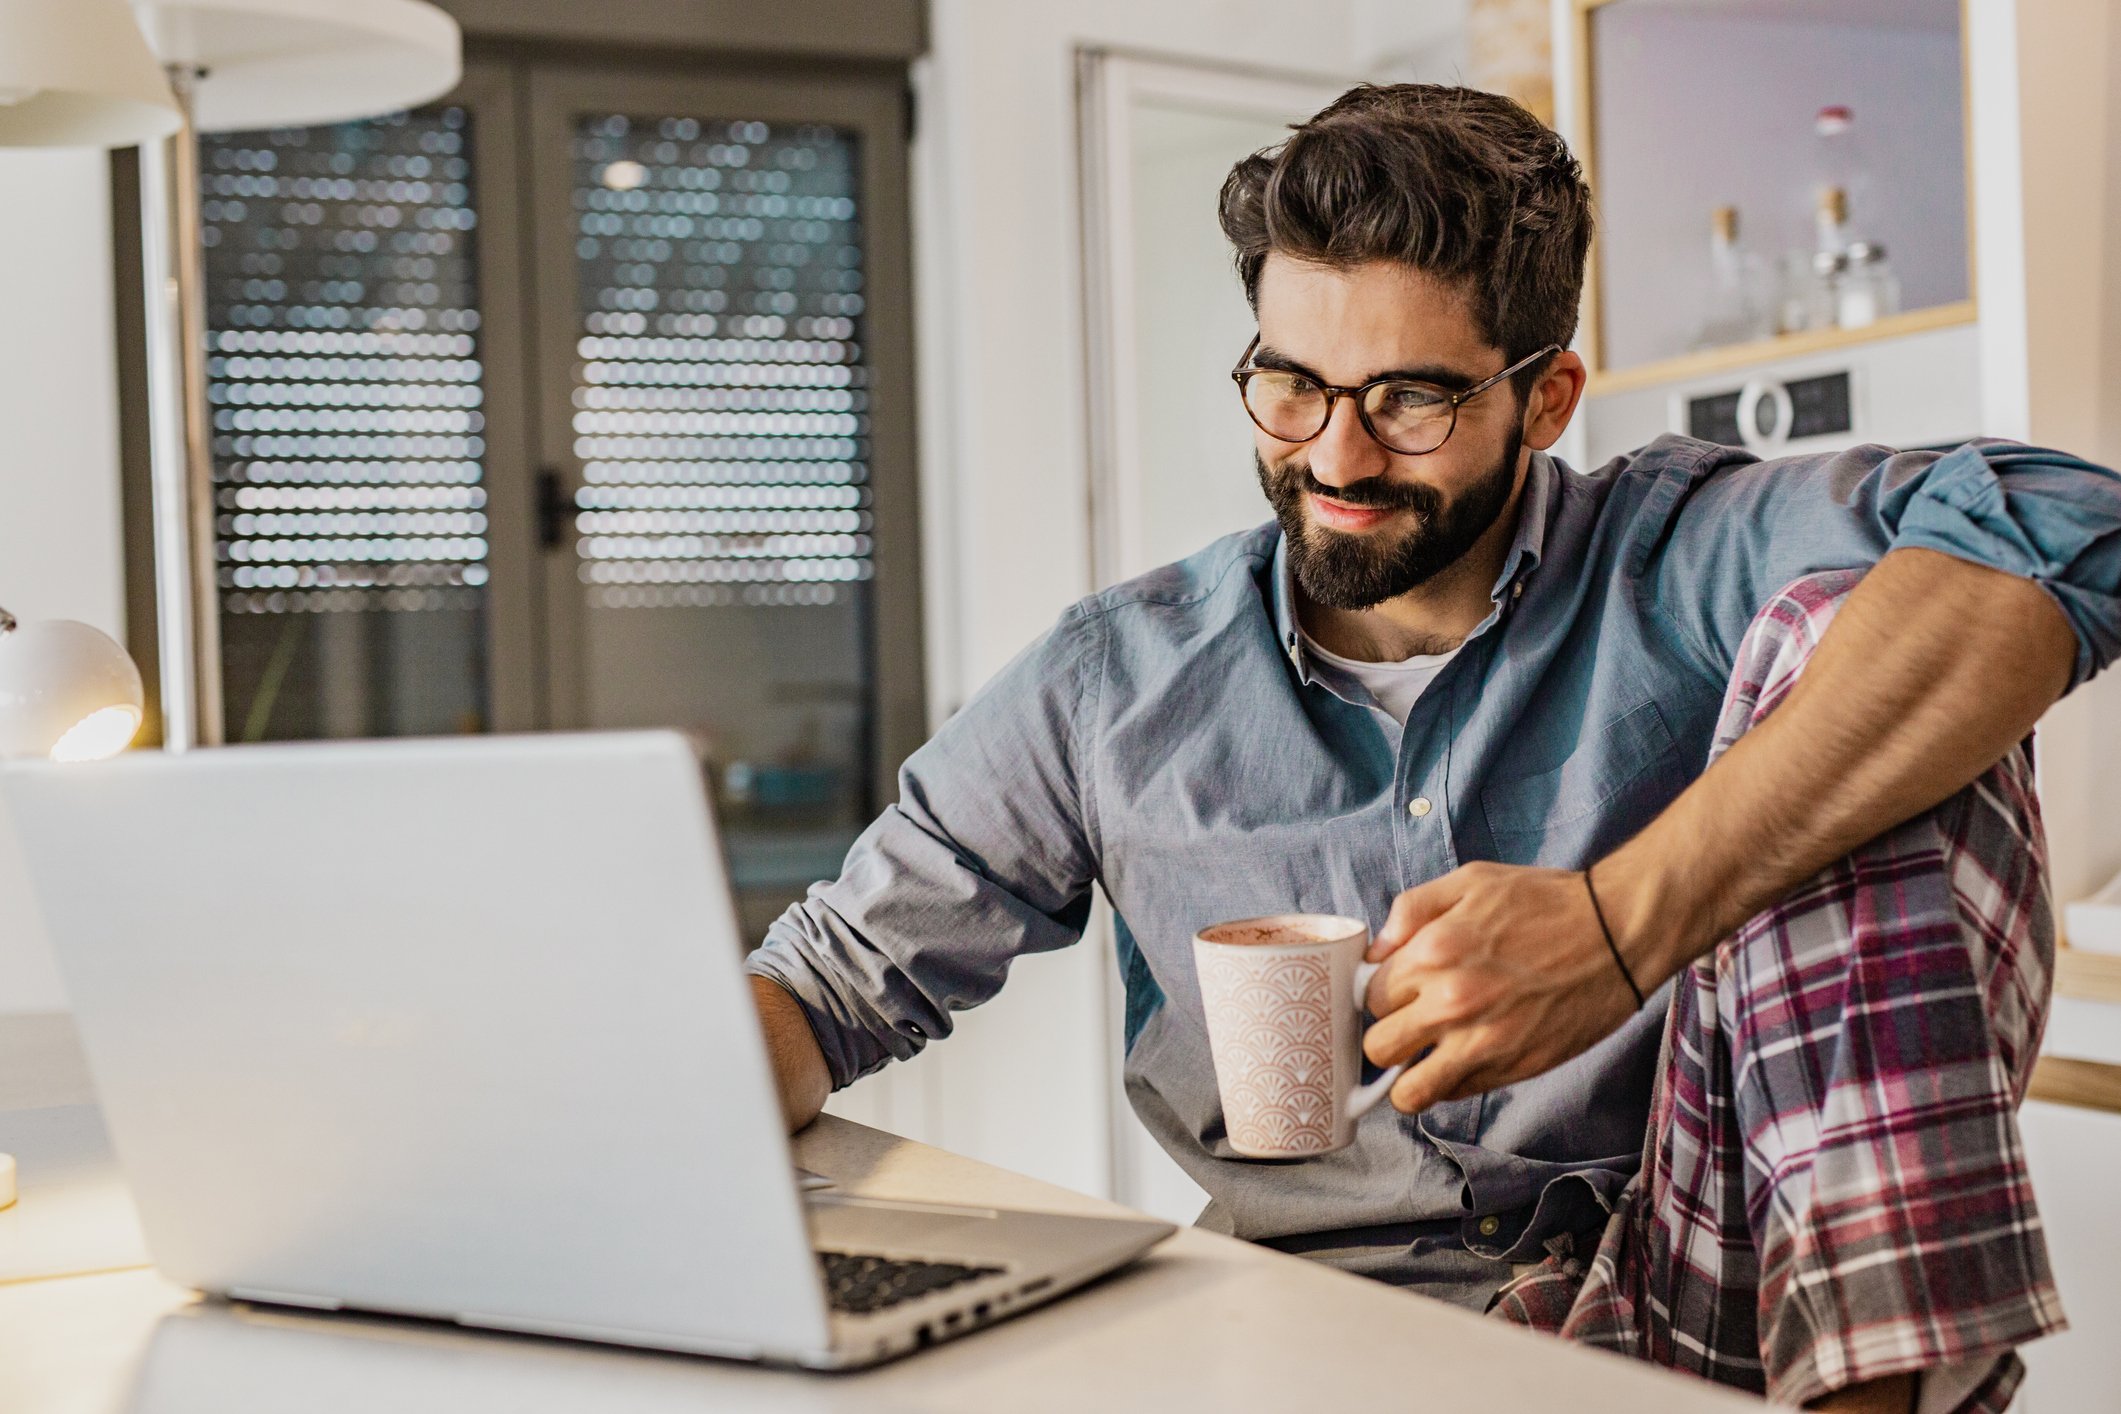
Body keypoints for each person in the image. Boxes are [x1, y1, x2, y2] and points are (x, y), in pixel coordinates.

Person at [744, 84, 2121, 1410]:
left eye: (1408, 399)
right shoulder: (1116, 677)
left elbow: (2070, 524)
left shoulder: (1680, 554)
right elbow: (828, 981)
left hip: (1682, 1282)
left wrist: (1616, 926)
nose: (1334, 457)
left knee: (1865, 648)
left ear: (1547, 396)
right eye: (1290, 384)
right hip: (1303, 1332)